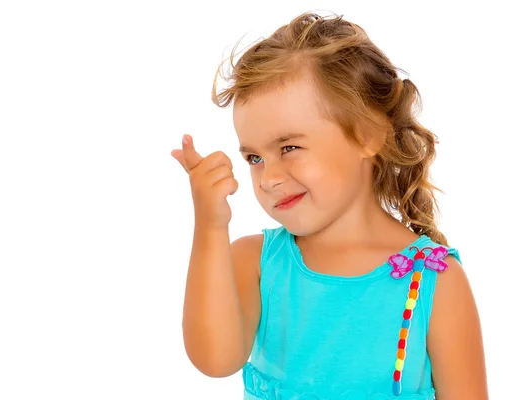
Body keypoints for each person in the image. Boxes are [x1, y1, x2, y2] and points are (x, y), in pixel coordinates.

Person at [171, 11, 488, 400]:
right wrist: (210, 226)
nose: (268, 177)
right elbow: (214, 360)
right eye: (254, 158)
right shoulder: (254, 263)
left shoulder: (434, 281)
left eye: (289, 148)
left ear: (366, 136)